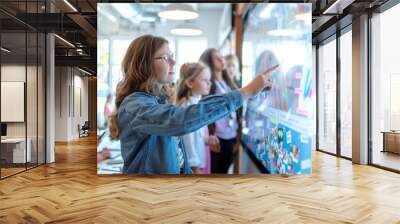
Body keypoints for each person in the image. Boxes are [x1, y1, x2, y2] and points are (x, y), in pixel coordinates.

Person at [109, 34, 278, 174]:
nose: (173, 63)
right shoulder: (134, 105)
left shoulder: (157, 100)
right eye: (166, 57)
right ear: (143, 64)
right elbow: (180, 120)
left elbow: (179, 157)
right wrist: (246, 91)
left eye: (172, 57)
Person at [175, 62, 220, 174]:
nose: (209, 83)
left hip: (201, 161)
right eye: (205, 80)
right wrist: (194, 167)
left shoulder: (197, 104)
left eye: (209, 80)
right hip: (193, 168)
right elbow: (187, 142)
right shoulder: (187, 108)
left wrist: (207, 139)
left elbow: (197, 135)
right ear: (190, 83)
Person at [200, 48, 239, 174]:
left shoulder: (229, 82)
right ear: (210, 62)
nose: (222, 59)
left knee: (224, 173)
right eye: (217, 58)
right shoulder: (207, 84)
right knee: (216, 175)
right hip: (217, 137)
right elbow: (204, 112)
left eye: (221, 56)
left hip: (231, 136)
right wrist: (211, 134)